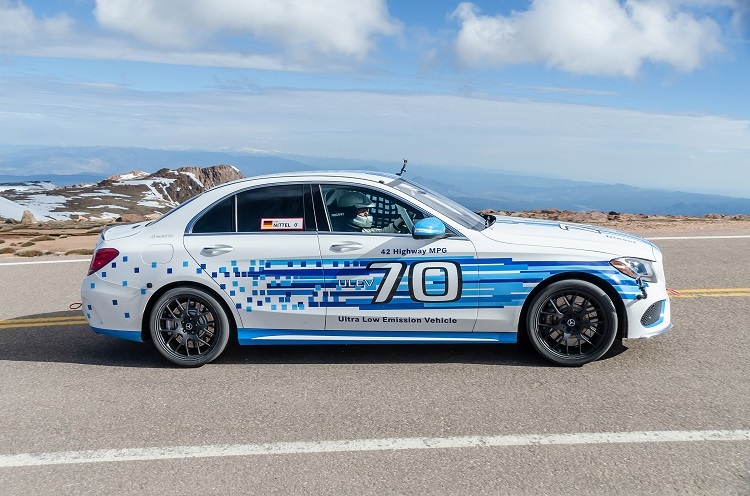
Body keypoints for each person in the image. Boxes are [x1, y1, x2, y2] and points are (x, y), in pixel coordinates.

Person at [334, 192, 404, 233]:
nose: (367, 214)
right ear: (350, 213)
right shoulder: (346, 233)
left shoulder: (358, 230)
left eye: (367, 211)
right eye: (363, 211)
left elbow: (382, 231)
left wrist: (399, 222)